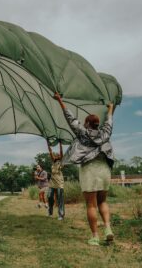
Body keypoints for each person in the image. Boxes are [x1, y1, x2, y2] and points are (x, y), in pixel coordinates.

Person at [54, 92, 115, 246]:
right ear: (97, 124)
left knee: (91, 205)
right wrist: (110, 108)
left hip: (89, 171)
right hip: (105, 170)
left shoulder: (83, 133)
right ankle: (108, 229)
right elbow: (109, 121)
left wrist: (60, 100)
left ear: (87, 123)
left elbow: (70, 118)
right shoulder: (105, 134)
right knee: (103, 202)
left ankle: (95, 237)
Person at [47, 142, 65, 220]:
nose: (57, 155)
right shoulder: (53, 162)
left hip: (59, 183)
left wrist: (60, 144)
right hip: (52, 182)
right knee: (49, 196)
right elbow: (50, 152)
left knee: (60, 199)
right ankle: (50, 212)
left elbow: (61, 152)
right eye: (56, 154)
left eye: (58, 155)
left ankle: (61, 215)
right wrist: (47, 142)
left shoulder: (61, 162)